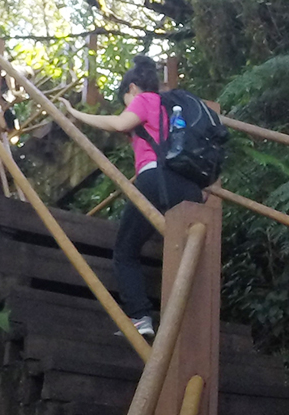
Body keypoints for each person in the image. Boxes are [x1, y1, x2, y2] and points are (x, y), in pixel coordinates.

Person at [60, 56, 203, 340]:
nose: (127, 103)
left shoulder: (145, 99)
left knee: (125, 252)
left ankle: (140, 317)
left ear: (133, 88)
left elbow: (118, 124)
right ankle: (193, 327)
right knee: (187, 252)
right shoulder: (174, 108)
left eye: (125, 97)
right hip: (190, 187)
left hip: (155, 179)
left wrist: (76, 114)